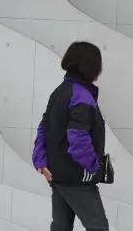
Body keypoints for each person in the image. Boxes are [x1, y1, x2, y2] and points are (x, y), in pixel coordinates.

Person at [32, 41, 109, 231]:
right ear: (91, 66)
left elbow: (44, 127)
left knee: (61, 226)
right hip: (77, 177)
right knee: (98, 227)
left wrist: (40, 160)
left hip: (57, 174)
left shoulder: (60, 92)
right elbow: (78, 139)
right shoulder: (82, 96)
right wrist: (95, 168)